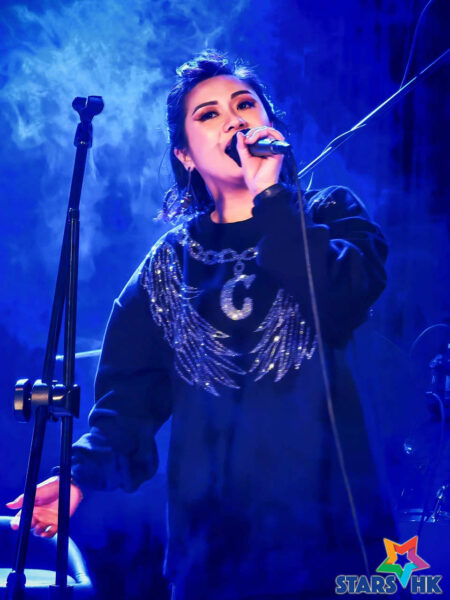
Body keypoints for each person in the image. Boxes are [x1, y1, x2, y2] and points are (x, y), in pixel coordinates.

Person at [7, 50, 397, 599]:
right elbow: (127, 402)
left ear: (272, 128)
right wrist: (78, 477)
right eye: (208, 114)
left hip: (338, 546)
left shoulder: (330, 214)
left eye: (245, 105)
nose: (234, 120)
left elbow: (338, 300)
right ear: (185, 155)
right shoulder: (168, 265)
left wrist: (272, 198)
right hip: (215, 556)